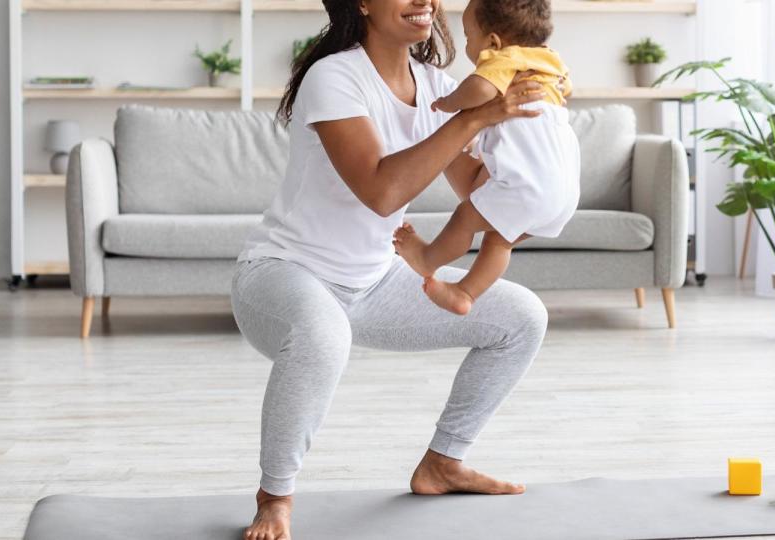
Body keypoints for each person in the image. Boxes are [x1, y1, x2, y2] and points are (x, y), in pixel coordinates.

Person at [230, 1, 551, 539]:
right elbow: (381, 192)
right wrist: (473, 117)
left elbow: (472, 184)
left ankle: (442, 463)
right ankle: (274, 496)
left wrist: (535, 188)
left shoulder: (436, 85)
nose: (423, 0)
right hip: (285, 274)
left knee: (521, 316)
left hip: (376, 282)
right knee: (322, 331)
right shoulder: (333, 77)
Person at [393, 0, 580, 316]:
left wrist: (451, 102)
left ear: (492, 41)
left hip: (528, 188)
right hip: (562, 193)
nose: (467, 44)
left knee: (464, 218)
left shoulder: (506, 57)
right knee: (499, 240)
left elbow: (479, 88)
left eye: (468, 36)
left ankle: (427, 259)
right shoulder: (549, 62)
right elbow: (567, 91)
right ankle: (465, 292)